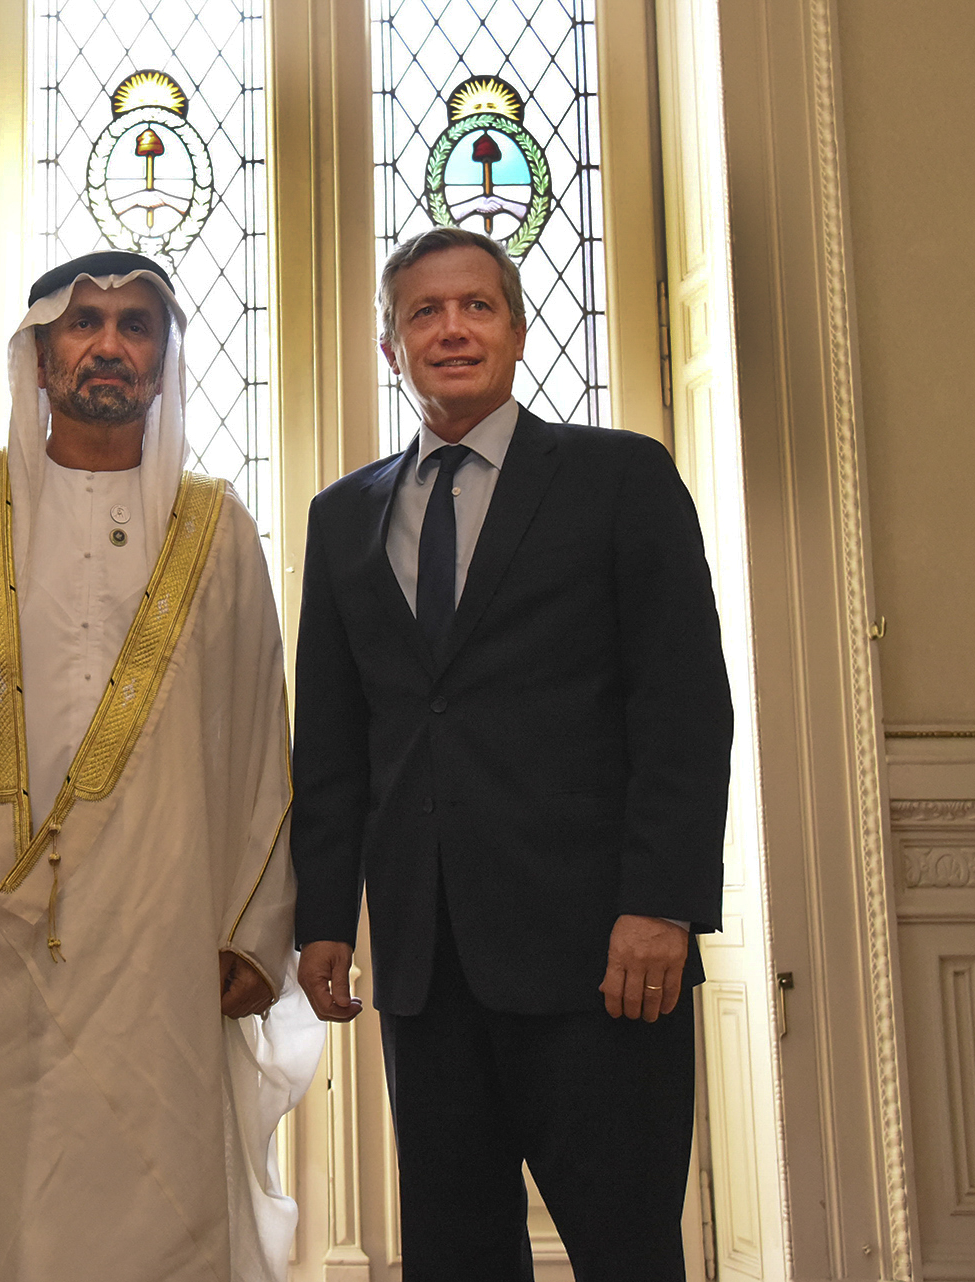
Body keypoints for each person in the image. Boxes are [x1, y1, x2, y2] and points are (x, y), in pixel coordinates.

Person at [0, 251, 323, 1282]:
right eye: (84, 323)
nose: (109, 344)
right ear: (42, 355)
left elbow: (259, 746)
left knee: (146, 1204)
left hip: (160, 940)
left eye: (136, 324)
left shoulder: (217, 529)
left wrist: (255, 927)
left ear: (161, 358)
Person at [291, 225, 733, 1280]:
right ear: (389, 347)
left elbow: (682, 705)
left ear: (520, 331)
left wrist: (662, 903)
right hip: (425, 965)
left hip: (602, 957)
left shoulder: (620, 478)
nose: (451, 328)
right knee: (456, 1254)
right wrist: (321, 921)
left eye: (476, 306)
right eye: (424, 313)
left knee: (625, 1248)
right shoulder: (343, 517)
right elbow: (335, 741)